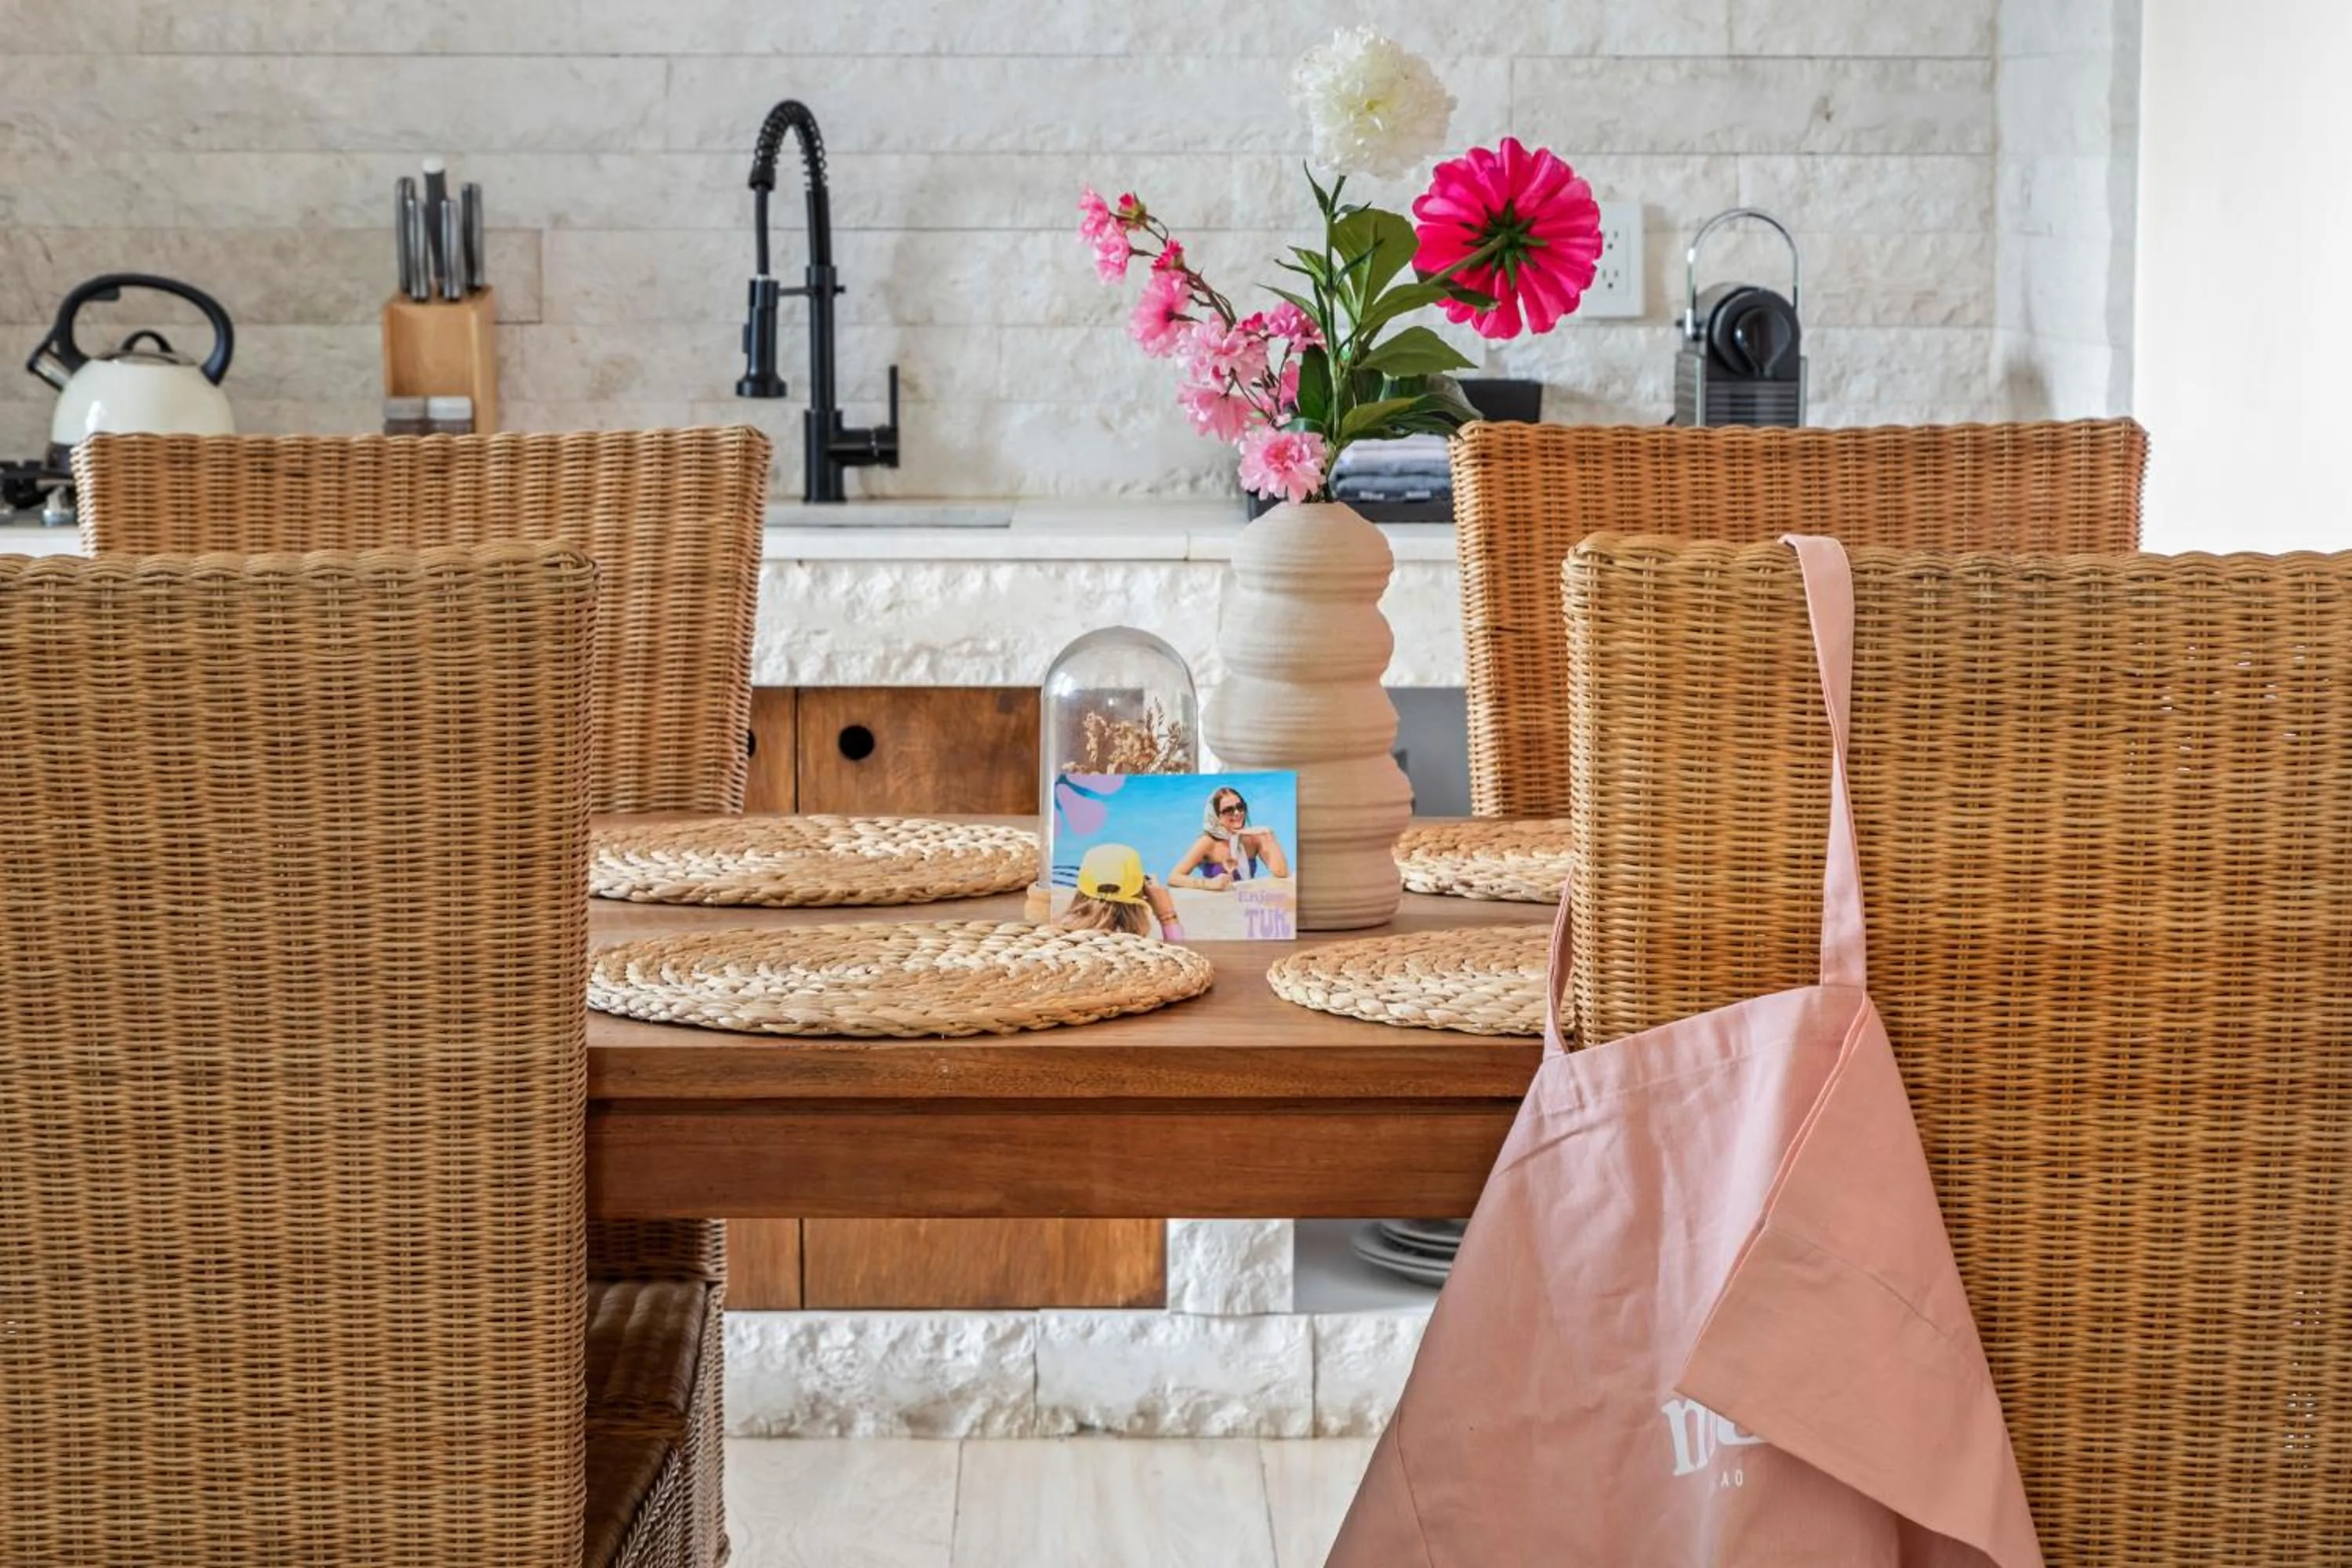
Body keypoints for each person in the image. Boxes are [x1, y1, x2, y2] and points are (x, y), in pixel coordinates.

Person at [1054, 842, 1185, 942]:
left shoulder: (1058, 938)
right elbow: (1184, 967)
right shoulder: (1135, 952)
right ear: (1141, 891)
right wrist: (1167, 915)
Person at [1168, 785, 1289, 891]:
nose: (1237, 813)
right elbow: (1174, 877)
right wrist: (1209, 884)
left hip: (1247, 900)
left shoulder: (1253, 838)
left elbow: (1281, 873)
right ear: (1216, 817)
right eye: (1228, 810)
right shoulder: (1208, 842)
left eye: (1240, 807)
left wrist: (1268, 836)